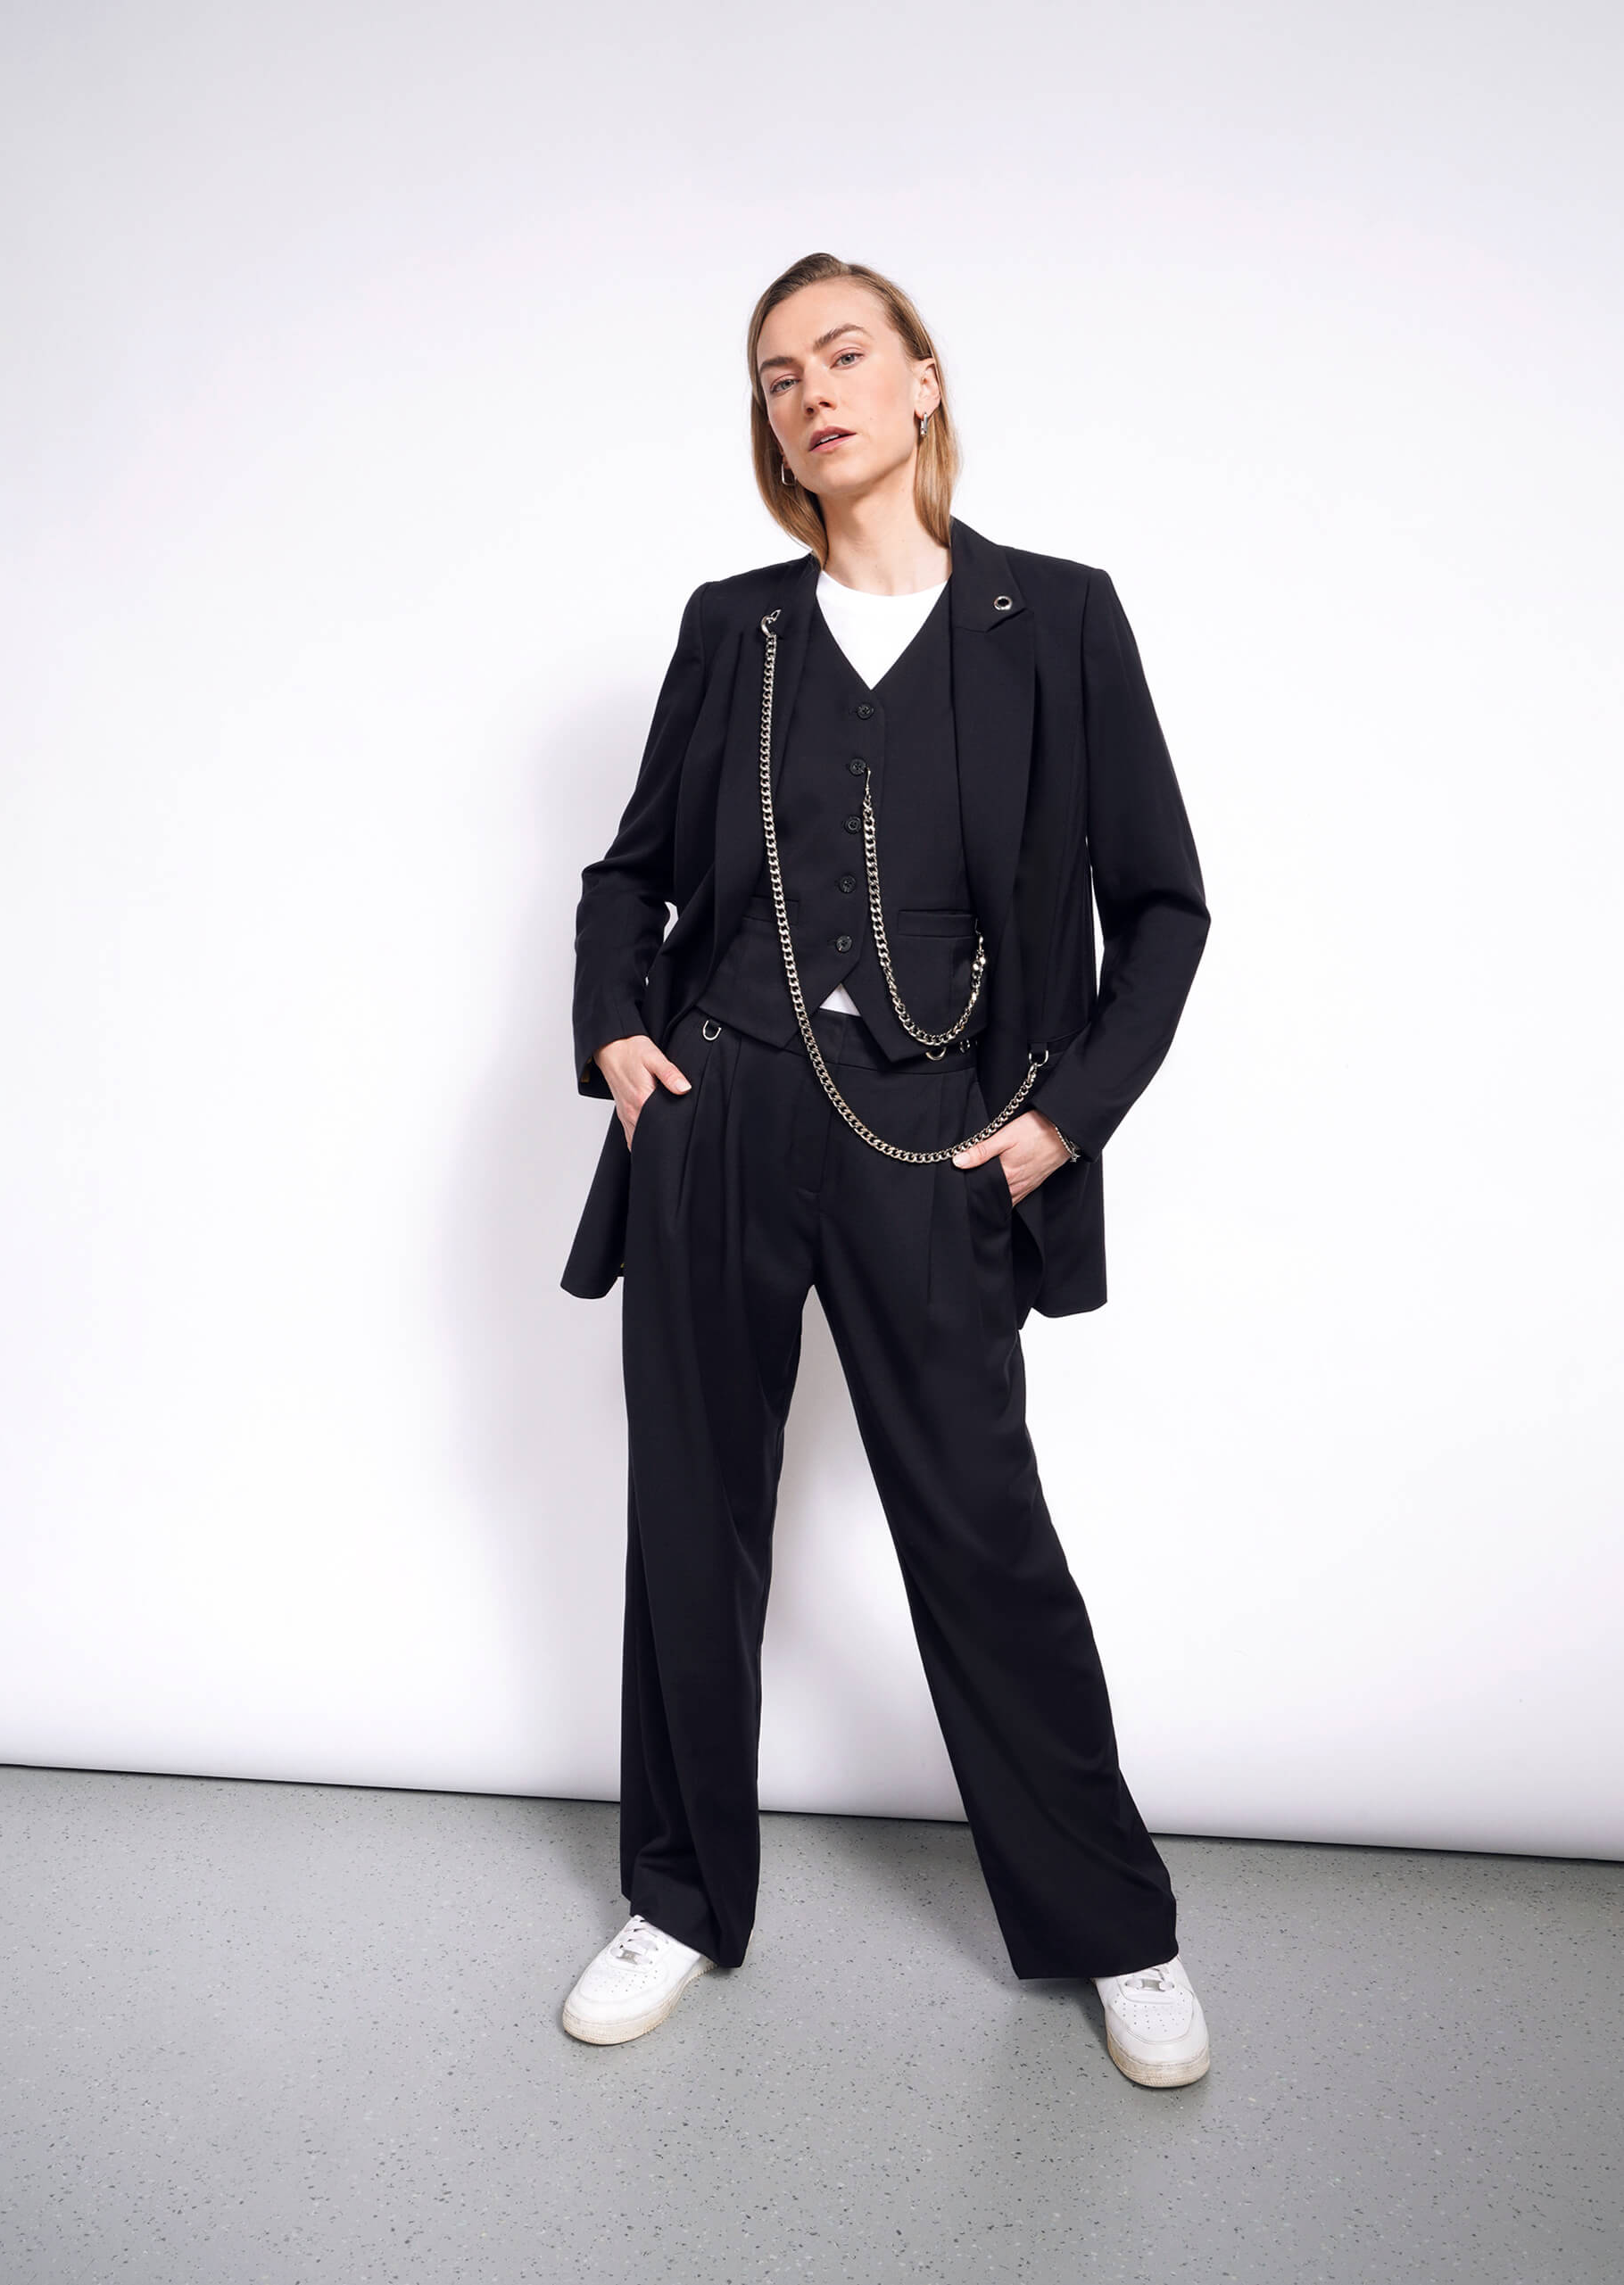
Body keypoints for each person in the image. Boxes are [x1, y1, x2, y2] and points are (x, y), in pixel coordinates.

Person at [557, 253, 1213, 2089]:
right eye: (777, 377)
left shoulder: (1057, 621)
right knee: (691, 1518)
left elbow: (1162, 908)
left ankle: (1116, 1931)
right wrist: (622, 1035)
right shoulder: (734, 625)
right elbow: (631, 874)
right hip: (723, 1115)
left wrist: (1059, 1123)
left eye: (844, 355)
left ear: (922, 383)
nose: (812, 393)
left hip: (945, 1146)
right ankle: (678, 1899)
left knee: (982, 1535)